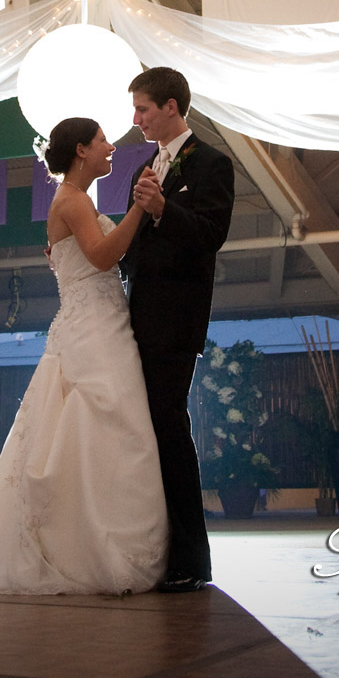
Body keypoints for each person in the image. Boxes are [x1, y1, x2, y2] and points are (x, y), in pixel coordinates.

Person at [0, 117, 166, 594]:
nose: (111, 147)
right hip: (93, 328)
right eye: (102, 140)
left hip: (98, 321)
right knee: (112, 422)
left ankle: (98, 533)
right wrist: (139, 210)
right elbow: (103, 257)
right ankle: (90, 543)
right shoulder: (72, 200)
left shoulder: (76, 200)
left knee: (105, 428)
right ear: (81, 150)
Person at [121, 67, 235, 592]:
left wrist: (165, 208)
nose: (137, 119)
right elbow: (134, 247)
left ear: (171, 106)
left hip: (177, 318)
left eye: (143, 108)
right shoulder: (143, 166)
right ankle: (155, 548)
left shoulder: (212, 162)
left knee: (169, 428)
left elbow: (212, 234)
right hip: (138, 316)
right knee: (149, 431)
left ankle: (191, 559)